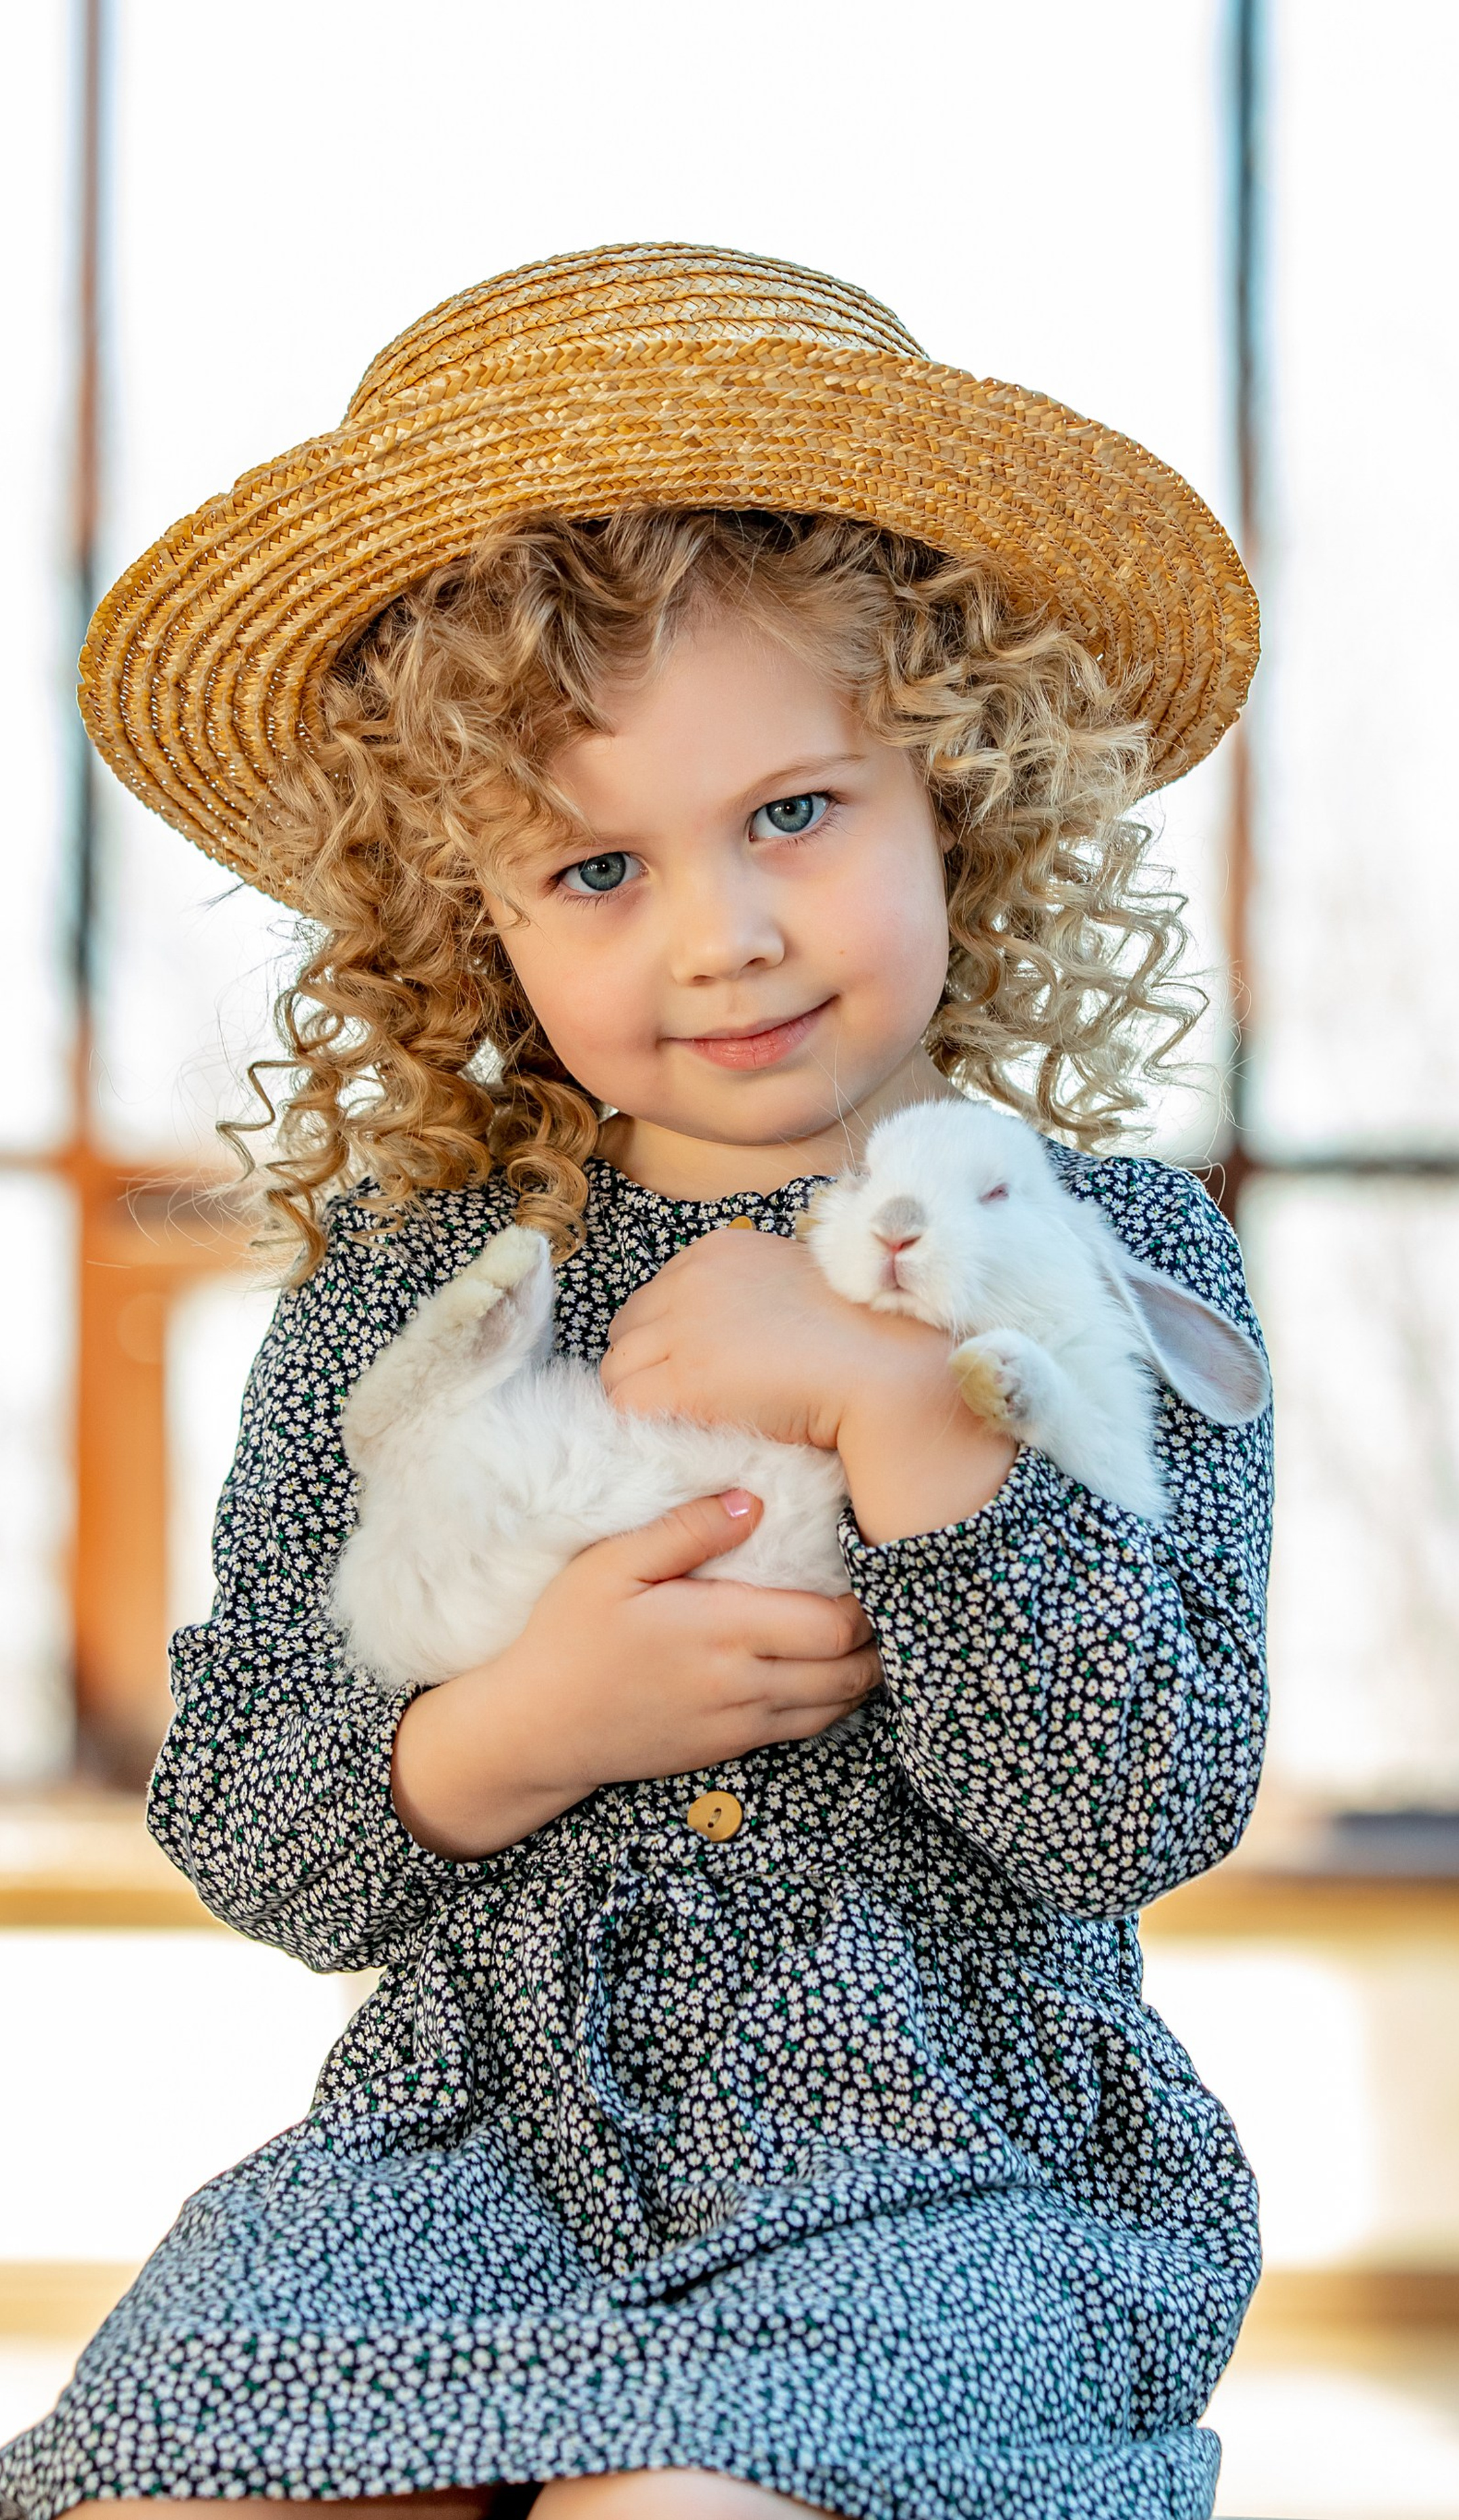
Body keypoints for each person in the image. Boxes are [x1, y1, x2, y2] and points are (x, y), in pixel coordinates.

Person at [1, 245, 1271, 2520]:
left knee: (688, 2503)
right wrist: (506, 1736)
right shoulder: (422, 1288)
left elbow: (1126, 1810)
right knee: (175, 2491)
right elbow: (251, 1805)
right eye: (598, 865)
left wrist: (909, 1417)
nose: (725, 929)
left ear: (958, 800)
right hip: (469, 2162)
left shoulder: (1105, 1259)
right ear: (468, 925)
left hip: (939, 2178)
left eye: (797, 811)